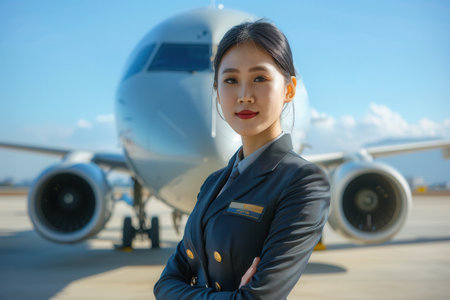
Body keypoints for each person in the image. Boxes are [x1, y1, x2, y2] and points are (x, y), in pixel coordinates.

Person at [154, 20, 330, 299]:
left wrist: (188, 292)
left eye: (260, 78)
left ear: (289, 89)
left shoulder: (303, 182)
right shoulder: (213, 184)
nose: (244, 96)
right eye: (230, 80)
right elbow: (164, 285)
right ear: (217, 89)